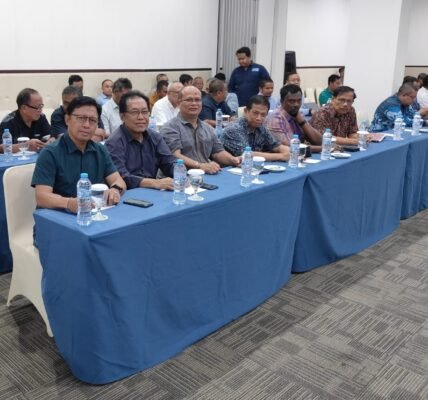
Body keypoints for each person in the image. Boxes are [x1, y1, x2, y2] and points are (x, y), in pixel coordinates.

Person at [31, 96, 126, 214]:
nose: (87, 125)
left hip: (93, 214)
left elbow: (118, 180)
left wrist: (115, 190)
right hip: (59, 217)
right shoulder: (50, 153)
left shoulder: (100, 150)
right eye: (81, 118)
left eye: (92, 120)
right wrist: (69, 203)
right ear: (67, 119)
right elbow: (42, 197)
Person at [105, 91, 176, 191]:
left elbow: (169, 163)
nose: (141, 117)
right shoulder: (114, 142)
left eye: (144, 112)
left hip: (153, 192)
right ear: (122, 116)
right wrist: (155, 183)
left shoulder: (155, 137)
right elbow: (122, 177)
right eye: (134, 112)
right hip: (127, 194)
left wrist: (180, 174)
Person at [161, 85, 240, 174]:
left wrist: (234, 160)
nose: (194, 103)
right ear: (179, 103)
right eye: (189, 100)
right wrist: (200, 166)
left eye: (197, 100)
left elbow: (218, 152)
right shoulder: (170, 127)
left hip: (205, 175)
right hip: (179, 177)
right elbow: (175, 155)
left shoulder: (207, 128)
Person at [222, 95, 289, 161]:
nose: (259, 118)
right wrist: (281, 156)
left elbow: (276, 146)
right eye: (255, 113)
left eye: (263, 115)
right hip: (231, 167)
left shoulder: (261, 128)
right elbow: (247, 154)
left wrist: (289, 152)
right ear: (246, 111)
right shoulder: (234, 129)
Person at [267, 84, 322, 151]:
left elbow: (319, 141)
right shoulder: (276, 118)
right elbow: (290, 147)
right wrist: (322, 148)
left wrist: (302, 122)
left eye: (299, 101)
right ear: (281, 101)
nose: (296, 104)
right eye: (291, 101)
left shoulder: (296, 115)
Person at [0, 88, 53, 153]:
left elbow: (50, 136)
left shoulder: (41, 117)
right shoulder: (9, 122)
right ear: (24, 108)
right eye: (37, 107)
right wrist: (25, 146)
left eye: (41, 106)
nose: (40, 110)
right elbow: (1, 147)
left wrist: (50, 141)